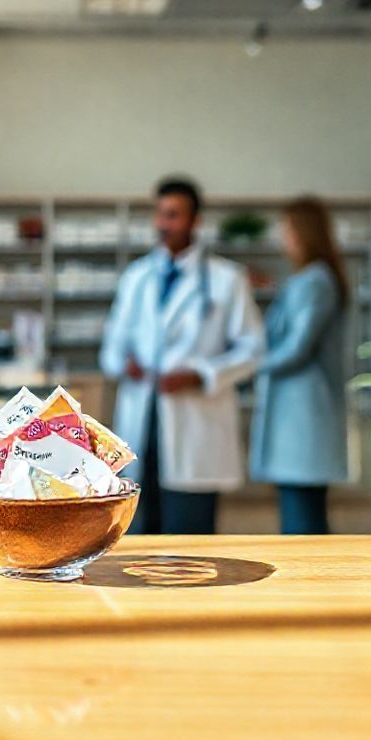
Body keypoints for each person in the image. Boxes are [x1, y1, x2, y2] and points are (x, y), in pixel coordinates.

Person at [100, 177, 263, 535]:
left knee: (189, 538)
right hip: (142, 416)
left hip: (195, 424)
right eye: (160, 214)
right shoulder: (137, 277)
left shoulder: (226, 279)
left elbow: (252, 349)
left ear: (195, 221)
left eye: (173, 215)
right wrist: (123, 363)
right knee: (139, 536)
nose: (163, 224)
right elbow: (111, 345)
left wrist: (201, 375)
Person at [250, 196, 349, 535]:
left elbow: (297, 347)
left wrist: (249, 364)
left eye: (287, 229)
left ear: (303, 233)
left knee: (302, 519)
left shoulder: (317, 281)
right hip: (298, 419)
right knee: (300, 507)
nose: (282, 237)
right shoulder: (311, 280)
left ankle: (312, 586)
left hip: (303, 420)